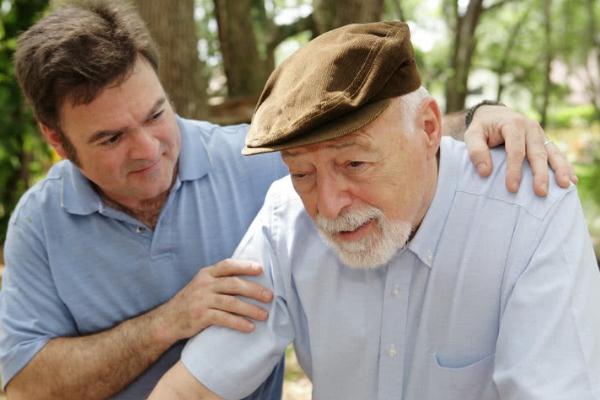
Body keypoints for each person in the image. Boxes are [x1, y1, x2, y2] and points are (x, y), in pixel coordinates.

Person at [0, 1, 573, 398]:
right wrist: (168, 322)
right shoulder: (39, 226)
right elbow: (22, 385)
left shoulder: (253, 167)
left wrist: (483, 116)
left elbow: (376, 134)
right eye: (110, 138)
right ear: (57, 139)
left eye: (156, 114)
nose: (148, 147)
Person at [150, 21, 600, 400]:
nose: (328, 206)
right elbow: (191, 390)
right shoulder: (284, 220)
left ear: (428, 127)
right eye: (302, 173)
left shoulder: (527, 211)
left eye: (354, 163)